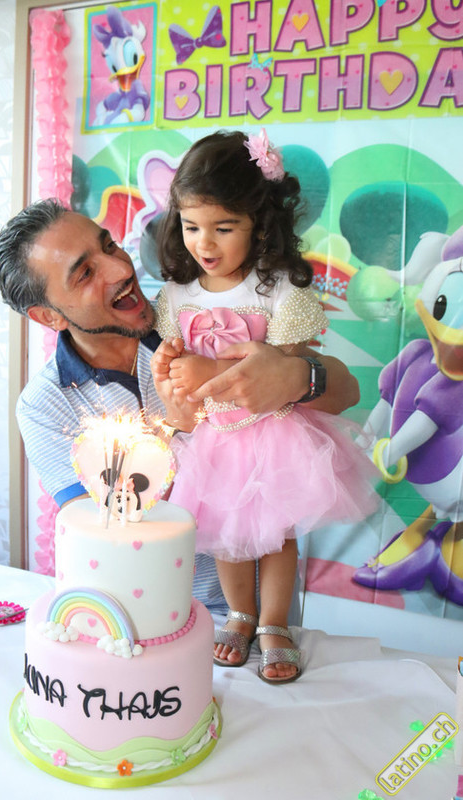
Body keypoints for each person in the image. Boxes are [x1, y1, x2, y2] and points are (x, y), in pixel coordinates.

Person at [0, 198, 360, 621]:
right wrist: (176, 429)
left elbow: (347, 392)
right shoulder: (45, 406)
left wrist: (295, 378)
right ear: (48, 316)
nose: (121, 269)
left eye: (109, 245)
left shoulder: (192, 317)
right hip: (142, 619)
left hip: (264, 619)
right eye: (86, 273)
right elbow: (108, 531)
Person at [152, 129, 378, 684]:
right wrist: (172, 369)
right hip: (215, 438)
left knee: (278, 536)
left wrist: (212, 372)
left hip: (274, 433)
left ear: (258, 223)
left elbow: (284, 370)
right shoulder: (177, 296)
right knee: (227, 537)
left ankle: (275, 622)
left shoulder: (276, 290)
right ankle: (240, 614)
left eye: (223, 227)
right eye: (191, 226)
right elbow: (177, 374)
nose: (204, 243)